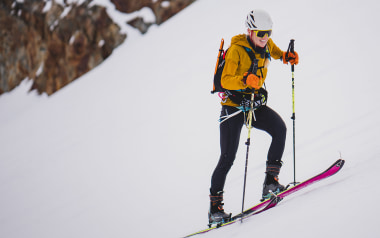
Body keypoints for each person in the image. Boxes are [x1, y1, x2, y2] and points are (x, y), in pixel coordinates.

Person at [209, 9, 299, 224]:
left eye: (268, 32)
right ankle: (215, 210)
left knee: (280, 129)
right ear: (250, 31)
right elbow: (226, 80)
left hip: (253, 104)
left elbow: (277, 53)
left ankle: (270, 183)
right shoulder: (236, 50)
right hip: (233, 109)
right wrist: (245, 80)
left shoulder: (267, 44)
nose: (265, 37)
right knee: (227, 158)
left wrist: (287, 58)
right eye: (260, 33)